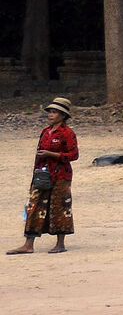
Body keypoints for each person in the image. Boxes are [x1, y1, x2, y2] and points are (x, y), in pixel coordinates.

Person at [10, 97, 76, 254]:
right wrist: (34, 175)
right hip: (42, 174)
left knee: (60, 207)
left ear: (63, 115)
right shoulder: (45, 132)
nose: (51, 115)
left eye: (55, 112)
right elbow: (38, 155)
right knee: (34, 206)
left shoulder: (67, 133)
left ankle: (60, 244)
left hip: (61, 175)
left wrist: (52, 154)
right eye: (50, 112)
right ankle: (28, 244)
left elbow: (73, 155)